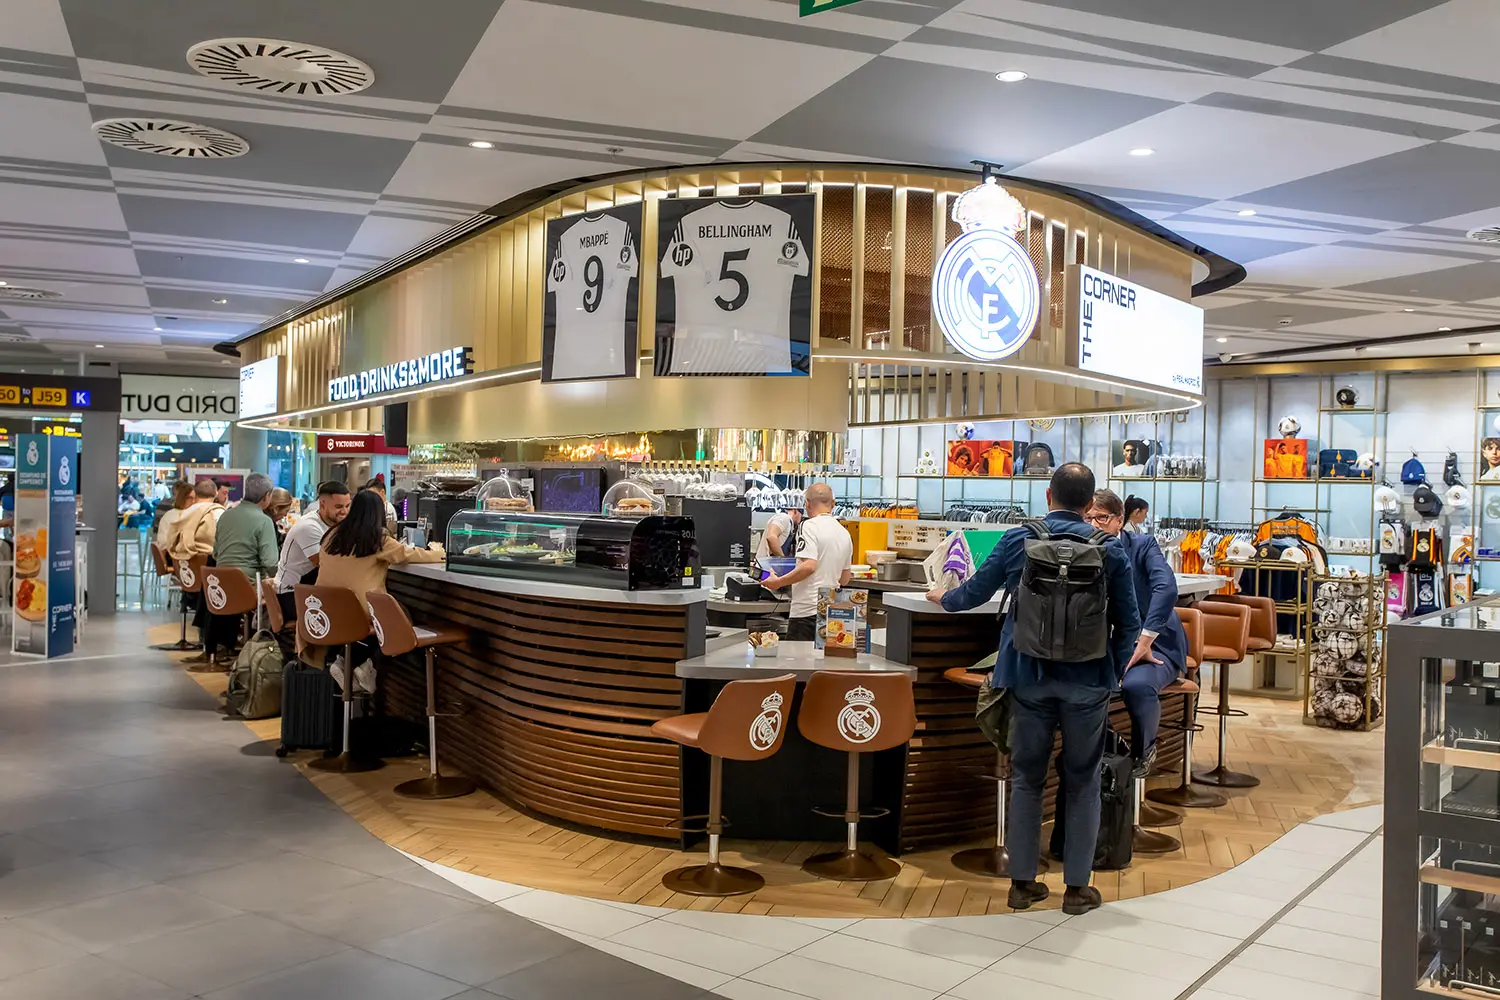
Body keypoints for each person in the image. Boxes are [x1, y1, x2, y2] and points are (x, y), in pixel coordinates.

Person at [926, 463, 1140, 916]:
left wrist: (943, 598)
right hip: (1088, 682)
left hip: (1027, 676)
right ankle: (1077, 889)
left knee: (1026, 778)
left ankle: (1022, 884)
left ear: (1047, 495)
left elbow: (971, 595)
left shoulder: (1017, 540)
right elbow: (1129, 622)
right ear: (1090, 504)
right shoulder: (1110, 549)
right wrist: (1114, 673)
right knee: (1082, 781)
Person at [1087, 489, 1187, 774]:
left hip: (1155, 645)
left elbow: (1166, 588)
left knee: (1137, 685)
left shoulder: (1142, 545)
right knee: (1081, 684)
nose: (1093, 525)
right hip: (1107, 646)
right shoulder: (1082, 550)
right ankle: (1110, 749)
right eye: (1088, 518)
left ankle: (1144, 752)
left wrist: (1145, 638)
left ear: (1119, 520)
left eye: (1101, 518)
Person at [304, 490, 444, 670]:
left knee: (381, 623)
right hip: (359, 609)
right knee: (400, 618)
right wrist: (442, 555)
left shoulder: (331, 535)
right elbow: (410, 554)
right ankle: (368, 668)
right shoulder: (376, 539)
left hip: (325, 609)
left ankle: (347, 663)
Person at [202, 473, 279, 665]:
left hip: (219, 586)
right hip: (247, 588)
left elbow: (216, 553)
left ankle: (221, 647)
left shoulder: (226, 515)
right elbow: (270, 563)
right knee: (281, 594)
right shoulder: (264, 521)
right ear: (267, 496)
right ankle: (262, 651)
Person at [760, 483, 852, 642]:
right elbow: (845, 579)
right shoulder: (844, 533)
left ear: (807, 503)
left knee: (798, 657)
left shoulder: (808, 526)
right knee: (824, 657)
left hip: (806, 612)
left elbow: (809, 566)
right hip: (832, 612)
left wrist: (779, 582)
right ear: (833, 504)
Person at [275, 481, 351, 627]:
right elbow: (324, 565)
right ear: (322, 505)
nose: (344, 512)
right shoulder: (309, 527)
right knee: (346, 616)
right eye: (338, 507)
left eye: (347, 506)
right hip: (291, 595)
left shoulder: (335, 525)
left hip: (310, 590)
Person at [153, 481, 193, 558]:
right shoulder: (177, 509)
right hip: (170, 549)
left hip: (157, 538)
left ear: (172, 490)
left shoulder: (162, 503)